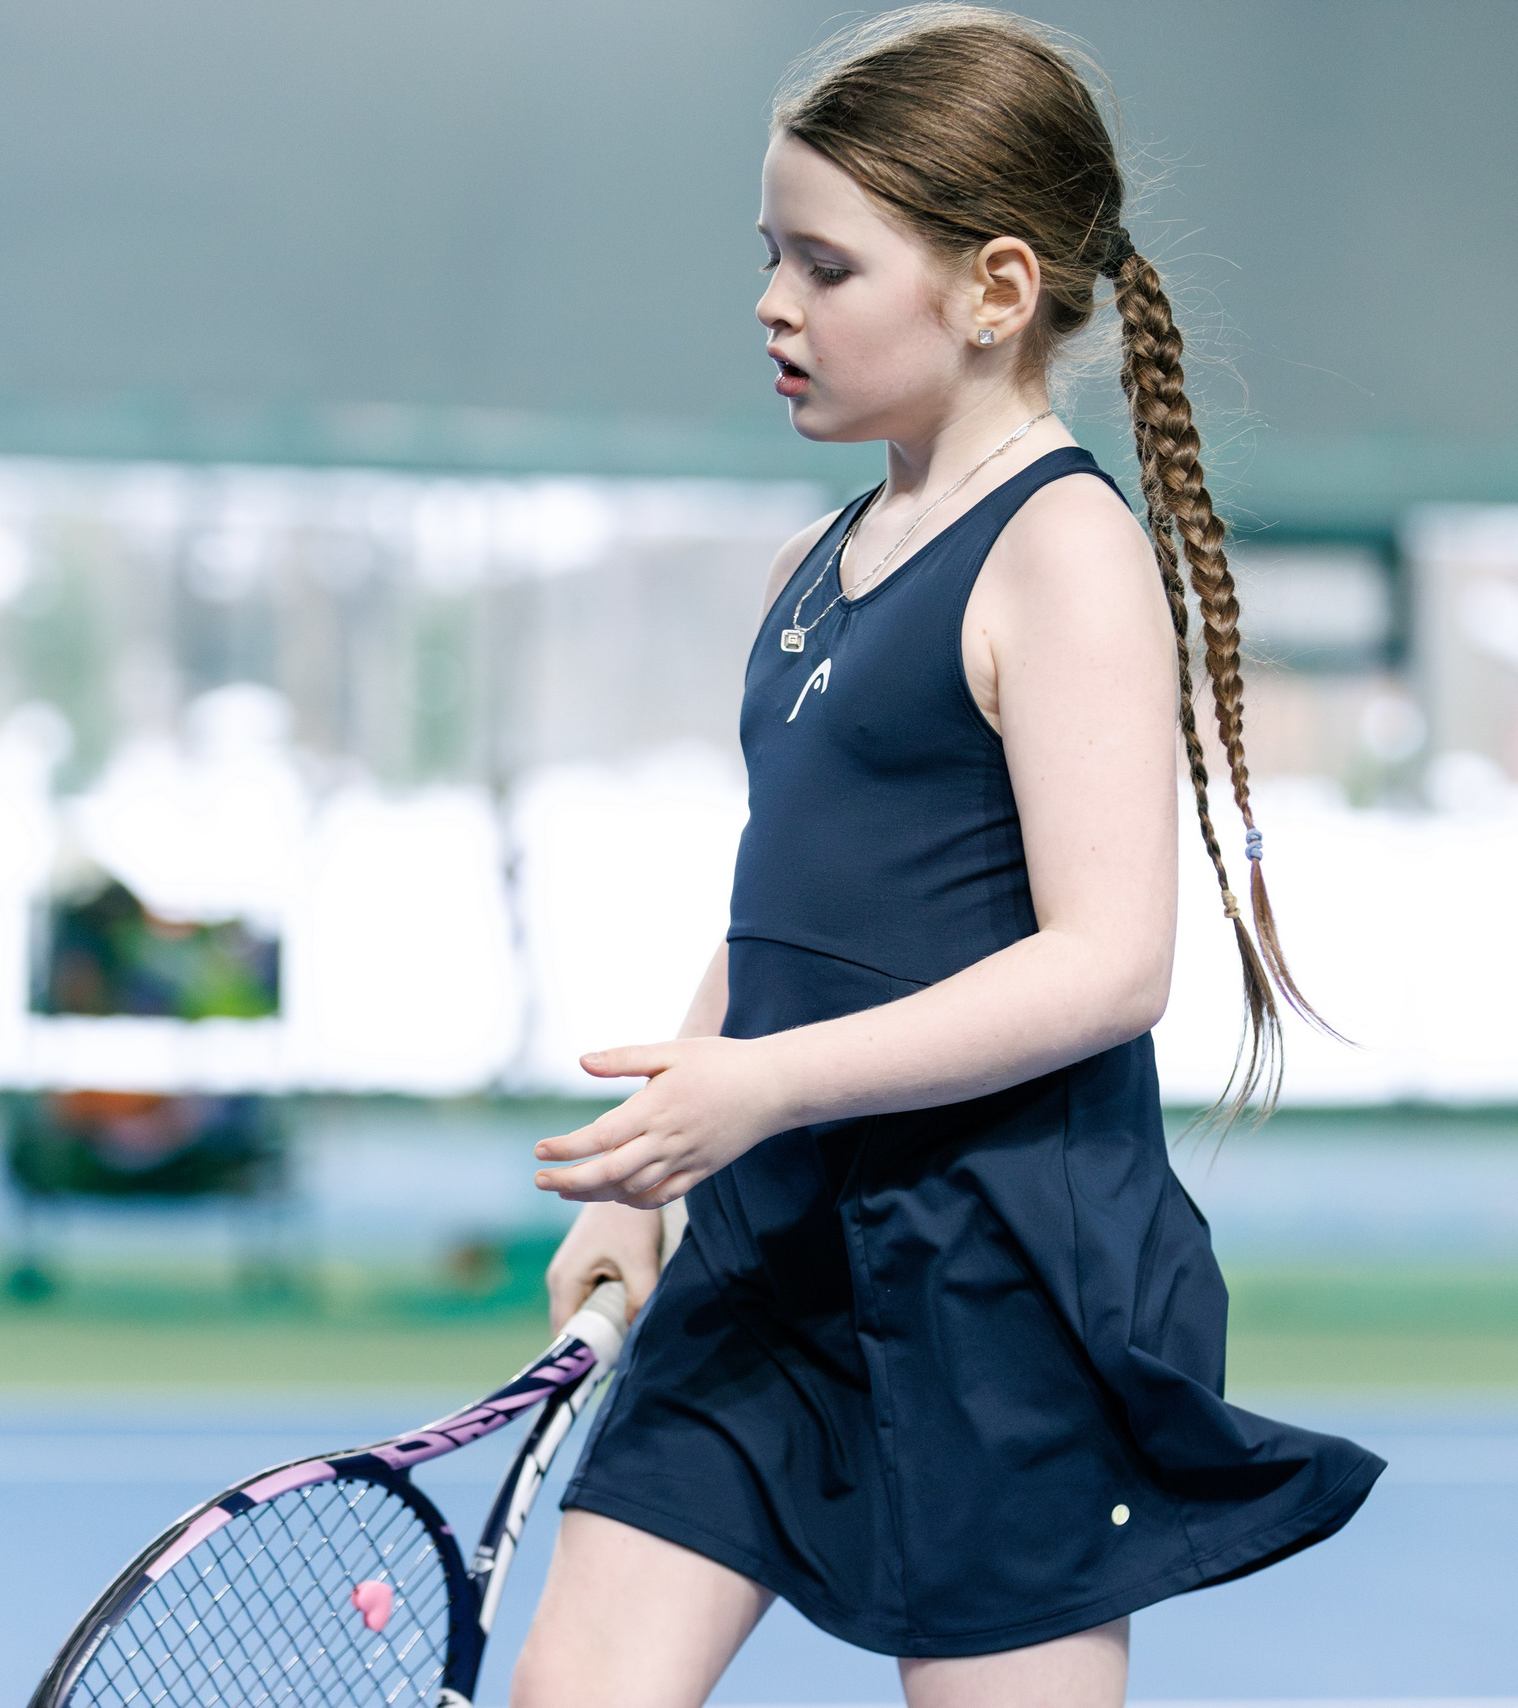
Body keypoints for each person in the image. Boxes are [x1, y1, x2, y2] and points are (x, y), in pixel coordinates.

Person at [512, 11, 1385, 1706]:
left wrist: (764, 1089)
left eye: (826, 266)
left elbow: (1110, 960)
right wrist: (661, 1173)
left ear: (993, 290)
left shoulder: (1063, 550)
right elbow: (784, 919)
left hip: (998, 1281)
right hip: (770, 1263)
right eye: (769, 255)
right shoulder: (811, 563)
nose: (773, 303)